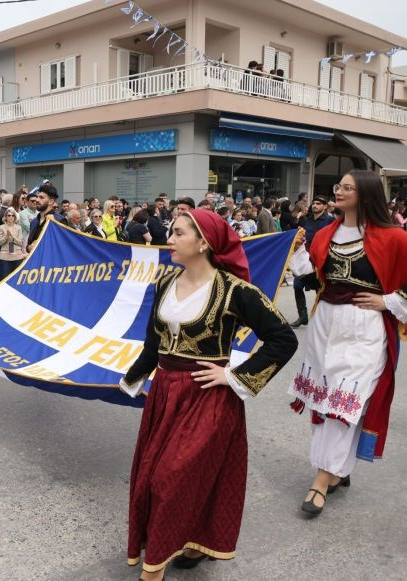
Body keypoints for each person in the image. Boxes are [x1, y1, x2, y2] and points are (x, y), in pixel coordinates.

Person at [121, 209, 297, 580]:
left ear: (203, 243)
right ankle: (189, 540)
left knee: (170, 479)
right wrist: (132, 378)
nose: (170, 239)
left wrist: (234, 376)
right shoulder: (165, 283)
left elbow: (283, 338)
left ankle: (154, 569)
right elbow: (154, 343)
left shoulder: (235, 291)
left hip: (208, 397)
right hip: (166, 395)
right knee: (154, 476)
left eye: (178, 233)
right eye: (171, 232)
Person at [287, 170, 407, 516]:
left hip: (365, 329)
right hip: (325, 324)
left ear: (365, 193)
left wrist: (387, 301)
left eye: (347, 188)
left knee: (346, 401)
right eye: (339, 186)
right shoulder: (326, 233)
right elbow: (312, 278)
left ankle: (322, 478)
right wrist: (298, 251)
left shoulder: (394, 237)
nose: (338, 191)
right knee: (327, 400)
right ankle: (337, 469)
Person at [290, 195, 335, 327]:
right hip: (305, 258)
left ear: (325, 206)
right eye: (314, 203)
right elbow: (299, 234)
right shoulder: (306, 220)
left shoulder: (330, 220)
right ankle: (302, 316)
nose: (315, 205)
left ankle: (321, 318)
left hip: (321, 259)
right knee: (297, 285)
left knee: (319, 289)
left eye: (318, 203)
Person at [26, 184, 63, 252]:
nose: (37, 200)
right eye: (37, 197)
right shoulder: (34, 222)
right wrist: (29, 247)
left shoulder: (59, 220)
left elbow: (62, 246)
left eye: (41, 197)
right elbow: (29, 244)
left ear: (51, 201)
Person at [0, 208, 25, 281]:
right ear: (5, 217)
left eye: (13, 215)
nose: (11, 217)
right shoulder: (1, 227)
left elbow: (21, 243)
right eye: (9, 215)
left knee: (17, 278)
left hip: (17, 256)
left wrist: (13, 237)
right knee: (4, 278)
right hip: (5, 257)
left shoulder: (18, 227)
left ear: (15, 217)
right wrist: (6, 237)